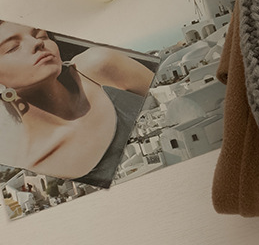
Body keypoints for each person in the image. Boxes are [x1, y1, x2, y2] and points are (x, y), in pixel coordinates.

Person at [0, 20, 155, 188]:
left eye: (41, 35)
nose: (37, 43)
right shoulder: (33, 164)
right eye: (12, 47)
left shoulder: (99, 66)